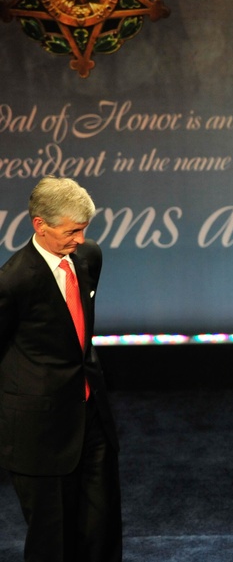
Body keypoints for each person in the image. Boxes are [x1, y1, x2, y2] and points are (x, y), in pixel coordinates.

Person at [0, 176, 122, 562]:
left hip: (92, 417)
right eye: (72, 231)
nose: (81, 239)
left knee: (101, 530)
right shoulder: (13, 280)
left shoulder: (89, 258)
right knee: (53, 540)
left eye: (84, 229)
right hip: (40, 430)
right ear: (40, 225)